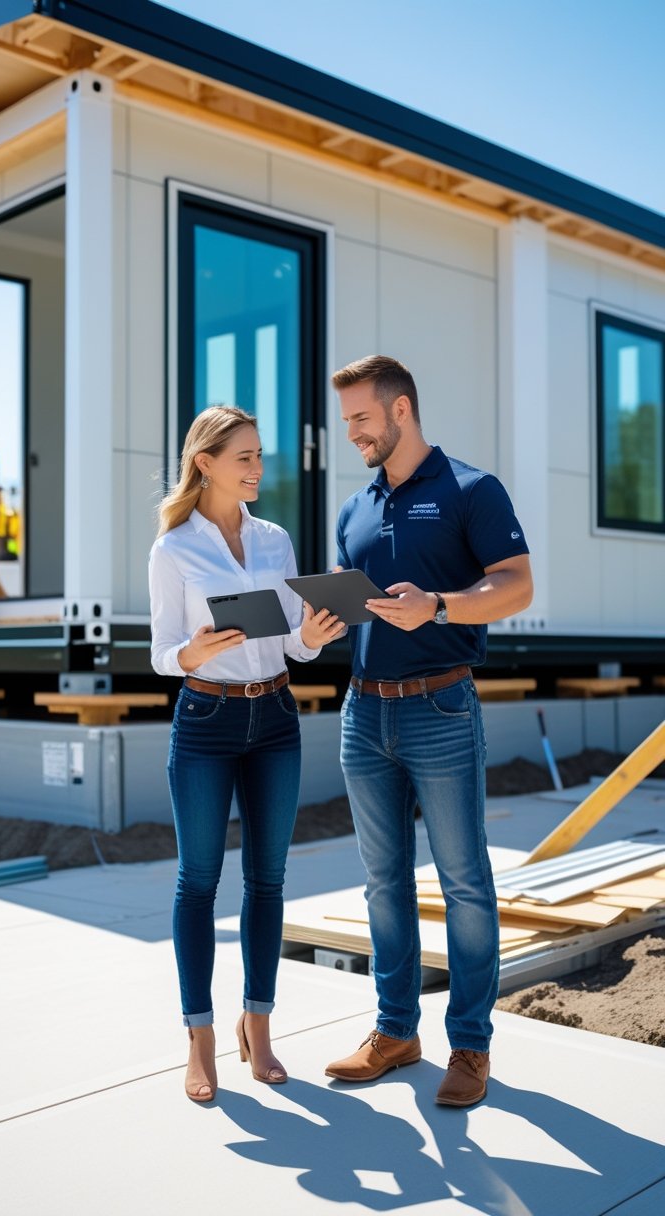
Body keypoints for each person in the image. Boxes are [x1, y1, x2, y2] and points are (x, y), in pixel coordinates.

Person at [322, 356, 533, 1107]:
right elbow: (354, 605)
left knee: (465, 884)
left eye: (360, 419)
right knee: (383, 885)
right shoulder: (354, 509)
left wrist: (438, 605)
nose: (350, 433)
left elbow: (515, 583)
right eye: (346, 420)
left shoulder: (471, 490)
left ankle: (470, 1048)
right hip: (363, 711)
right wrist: (323, 621)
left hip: (442, 710)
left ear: (401, 409)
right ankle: (395, 1031)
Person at [149, 405, 344, 1103]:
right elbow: (161, 653)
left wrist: (315, 634)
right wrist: (190, 652)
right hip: (205, 719)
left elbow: (292, 641)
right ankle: (198, 1039)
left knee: (268, 880)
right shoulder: (173, 549)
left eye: (261, 455)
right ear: (205, 463)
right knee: (198, 881)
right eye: (245, 458)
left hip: (276, 718)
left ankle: (257, 1029)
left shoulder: (275, 540)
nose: (259, 469)